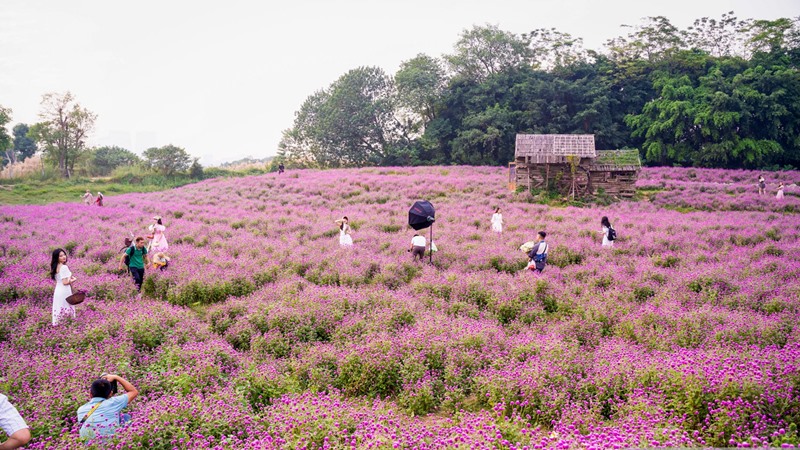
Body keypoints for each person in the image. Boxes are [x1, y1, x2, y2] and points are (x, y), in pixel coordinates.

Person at [76, 374, 138, 441]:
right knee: (125, 417)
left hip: (89, 446)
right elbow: (133, 391)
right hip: (111, 444)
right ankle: (129, 440)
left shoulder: (80, 409)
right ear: (110, 393)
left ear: (90, 394)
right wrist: (116, 377)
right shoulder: (113, 403)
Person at [51, 248, 77, 326]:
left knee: (59, 308)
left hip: (58, 290)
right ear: (57, 258)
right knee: (67, 307)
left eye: (64, 254)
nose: (64, 257)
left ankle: (59, 327)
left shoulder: (56, 266)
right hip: (64, 290)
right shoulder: (64, 267)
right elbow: (65, 282)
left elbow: (60, 279)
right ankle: (68, 325)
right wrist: (74, 279)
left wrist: (69, 277)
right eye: (60, 256)